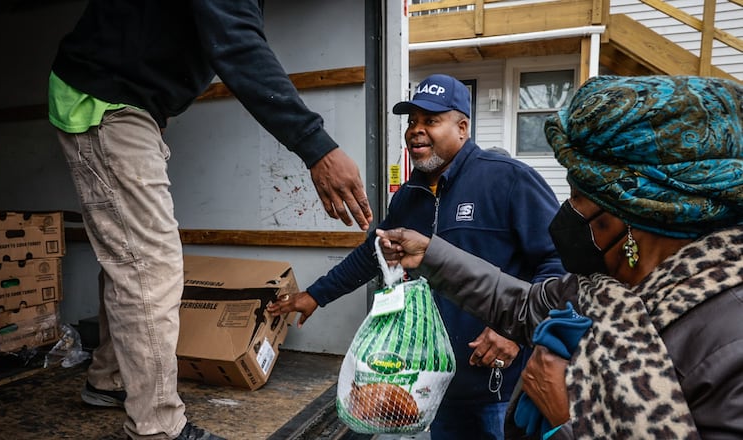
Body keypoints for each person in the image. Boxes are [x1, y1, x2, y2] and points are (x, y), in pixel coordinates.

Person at [48, 2, 373, 440]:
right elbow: (237, 46)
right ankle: (157, 427)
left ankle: (109, 379)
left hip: (125, 102)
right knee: (151, 267)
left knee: (132, 257)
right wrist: (317, 147)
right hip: (104, 101)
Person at [377, 75, 743, 439]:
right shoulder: (601, 291)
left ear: (633, 213)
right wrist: (429, 253)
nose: (568, 209)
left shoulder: (728, 343)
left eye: (577, 196)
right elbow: (519, 303)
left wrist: (564, 418)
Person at [268, 73, 566, 439]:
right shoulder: (409, 196)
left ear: (462, 127)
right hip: (438, 382)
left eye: (431, 120)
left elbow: (560, 264)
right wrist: (315, 295)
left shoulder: (508, 180)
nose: (416, 130)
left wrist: (516, 330)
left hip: (501, 385)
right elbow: (371, 255)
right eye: (412, 121)